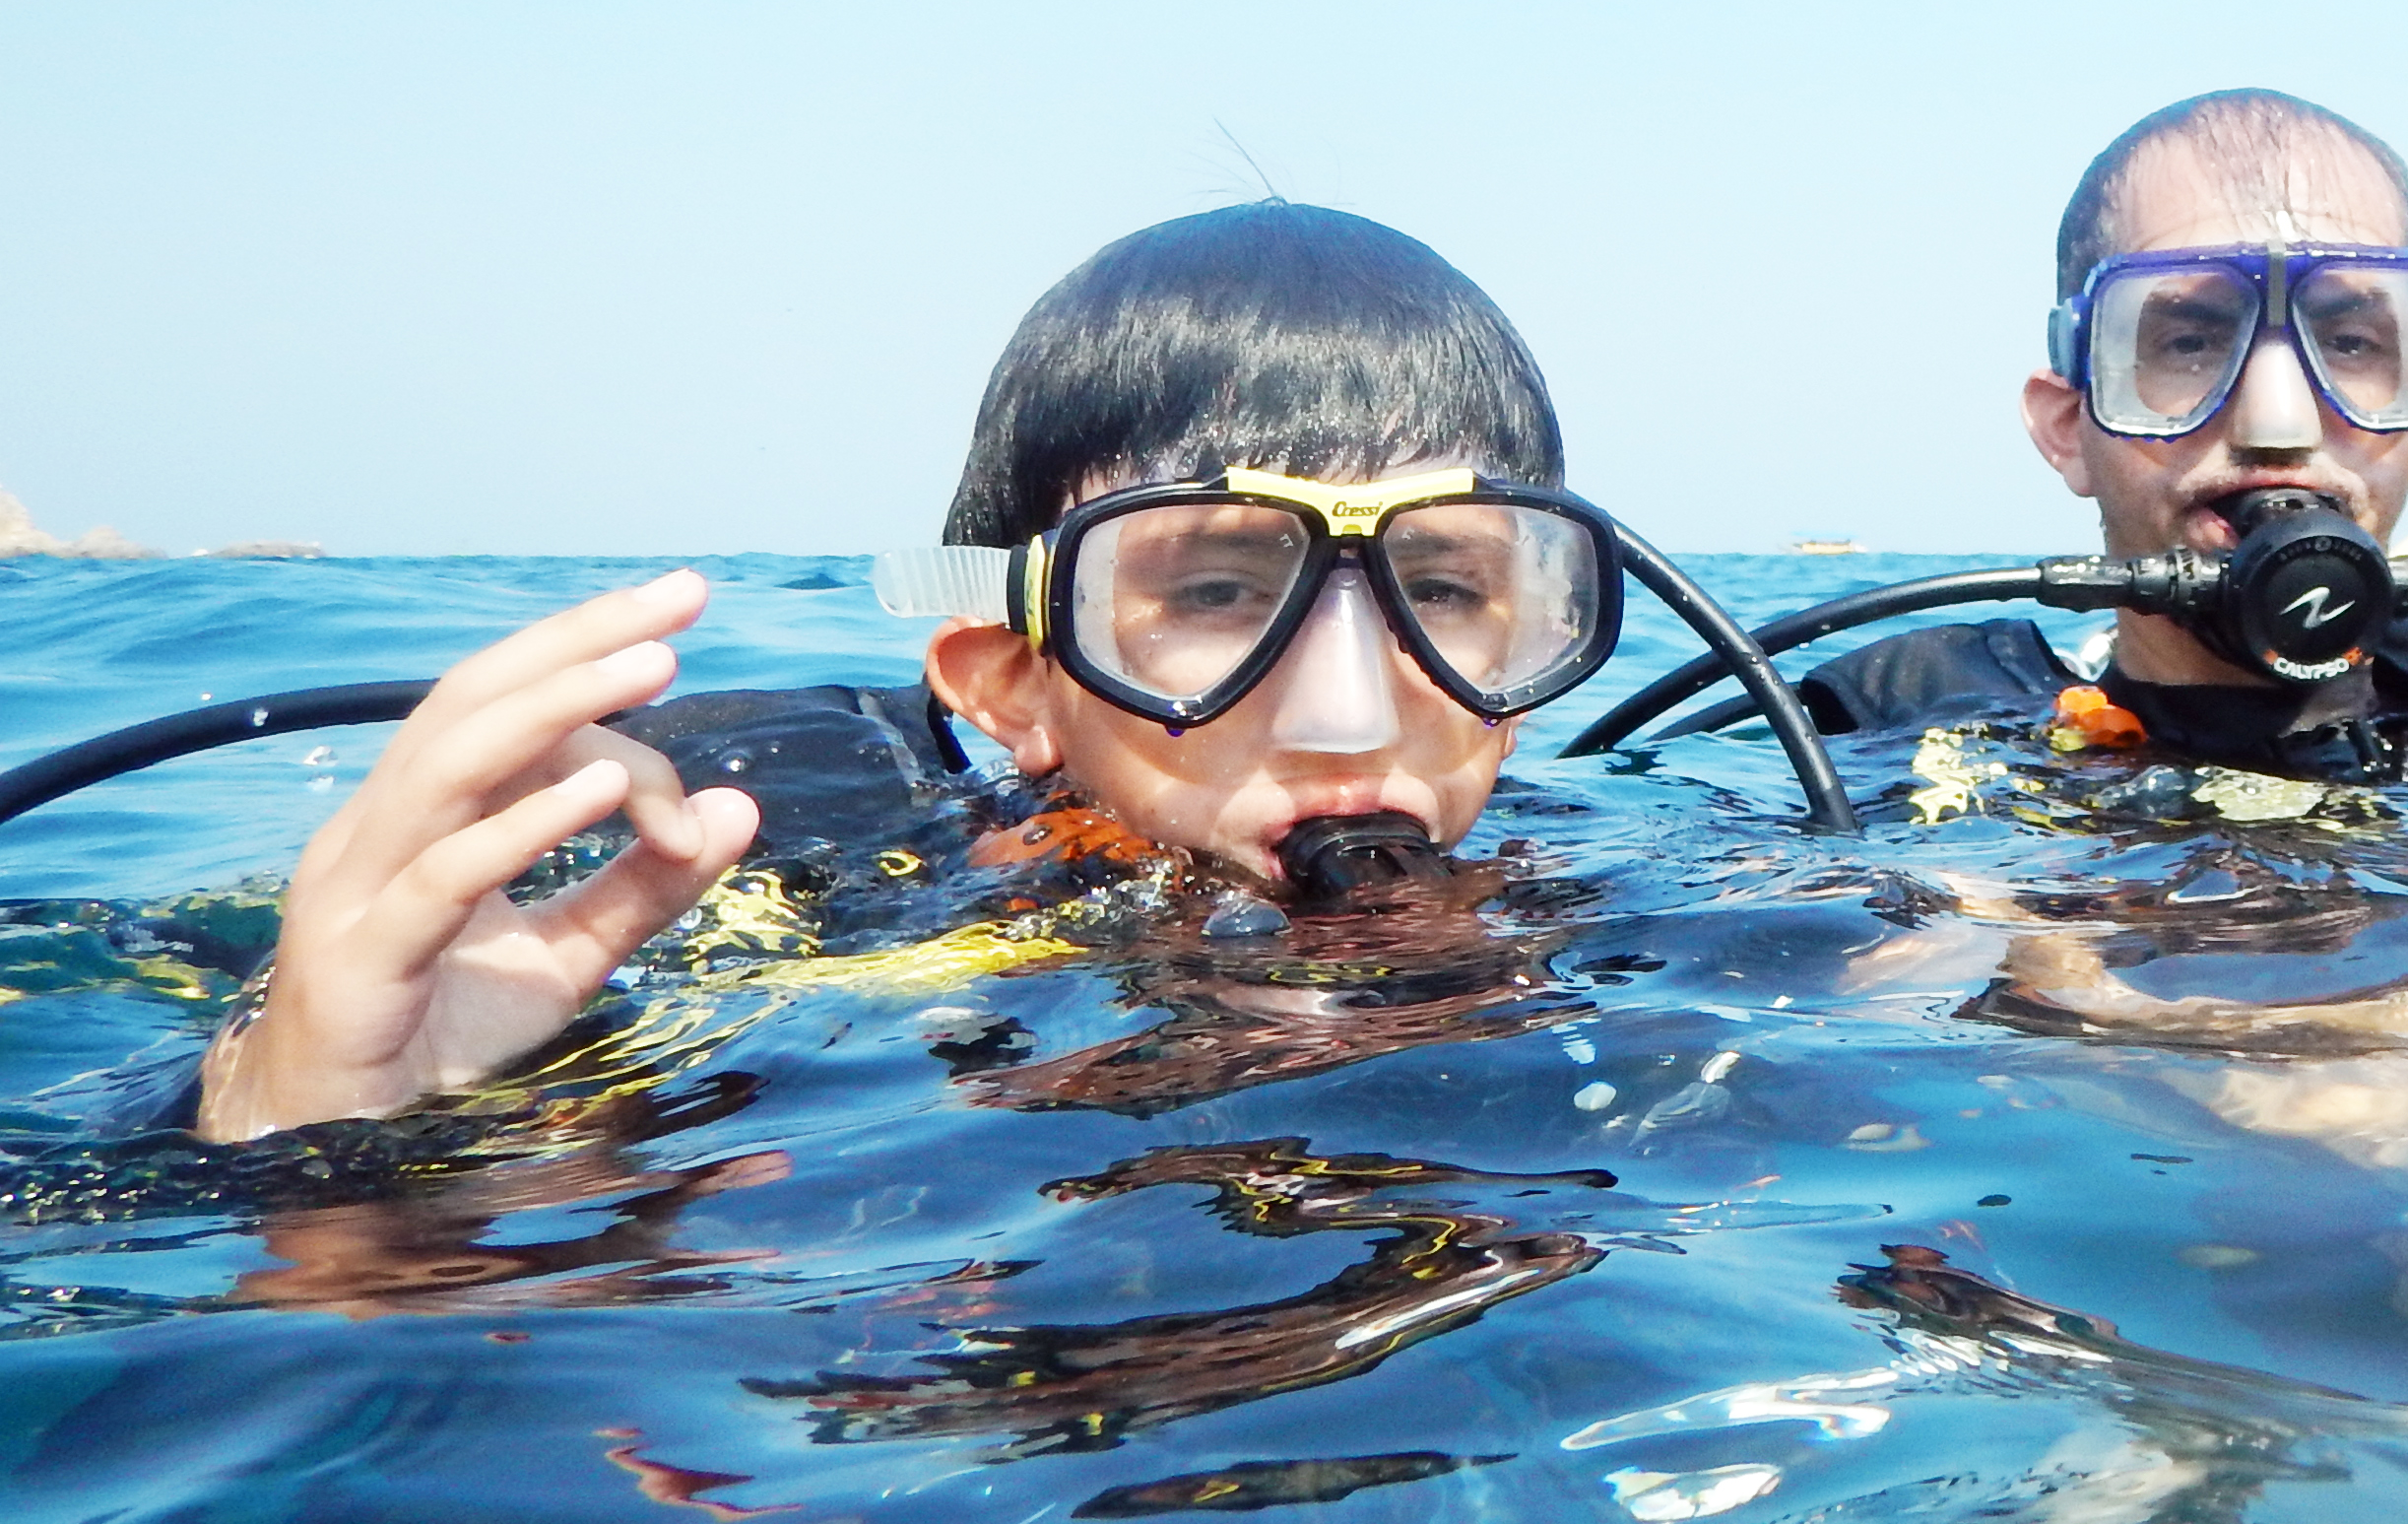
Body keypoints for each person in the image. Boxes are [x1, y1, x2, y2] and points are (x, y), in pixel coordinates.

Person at [198, 203, 1629, 1142]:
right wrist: (323, 1129)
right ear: (1013, 683)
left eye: (1442, 588)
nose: (1350, 712)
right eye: (1211, 591)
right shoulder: (801, 895)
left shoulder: (1645, 894)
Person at [1792, 88, 2408, 818]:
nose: (2279, 421)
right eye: (2187, 339)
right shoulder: (1898, 730)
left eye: (2356, 341)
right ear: (2069, 427)